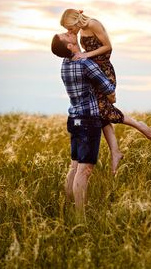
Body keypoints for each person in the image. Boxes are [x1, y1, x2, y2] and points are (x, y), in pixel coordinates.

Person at [59, 9, 151, 174]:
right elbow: (81, 53)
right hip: (93, 71)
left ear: (75, 21)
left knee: (102, 110)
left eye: (69, 28)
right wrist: (79, 55)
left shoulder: (93, 24)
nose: (69, 31)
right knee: (100, 113)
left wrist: (86, 55)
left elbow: (108, 47)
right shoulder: (81, 29)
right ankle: (115, 152)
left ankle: (139, 126)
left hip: (103, 71)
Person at [51, 32, 116, 218]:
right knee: (84, 170)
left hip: (75, 120)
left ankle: (68, 208)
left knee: (74, 166)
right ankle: (80, 216)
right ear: (70, 46)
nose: (68, 33)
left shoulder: (65, 64)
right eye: (66, 35)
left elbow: (72, 40)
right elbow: (109, 89)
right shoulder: (84, 64)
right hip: (88, 120)